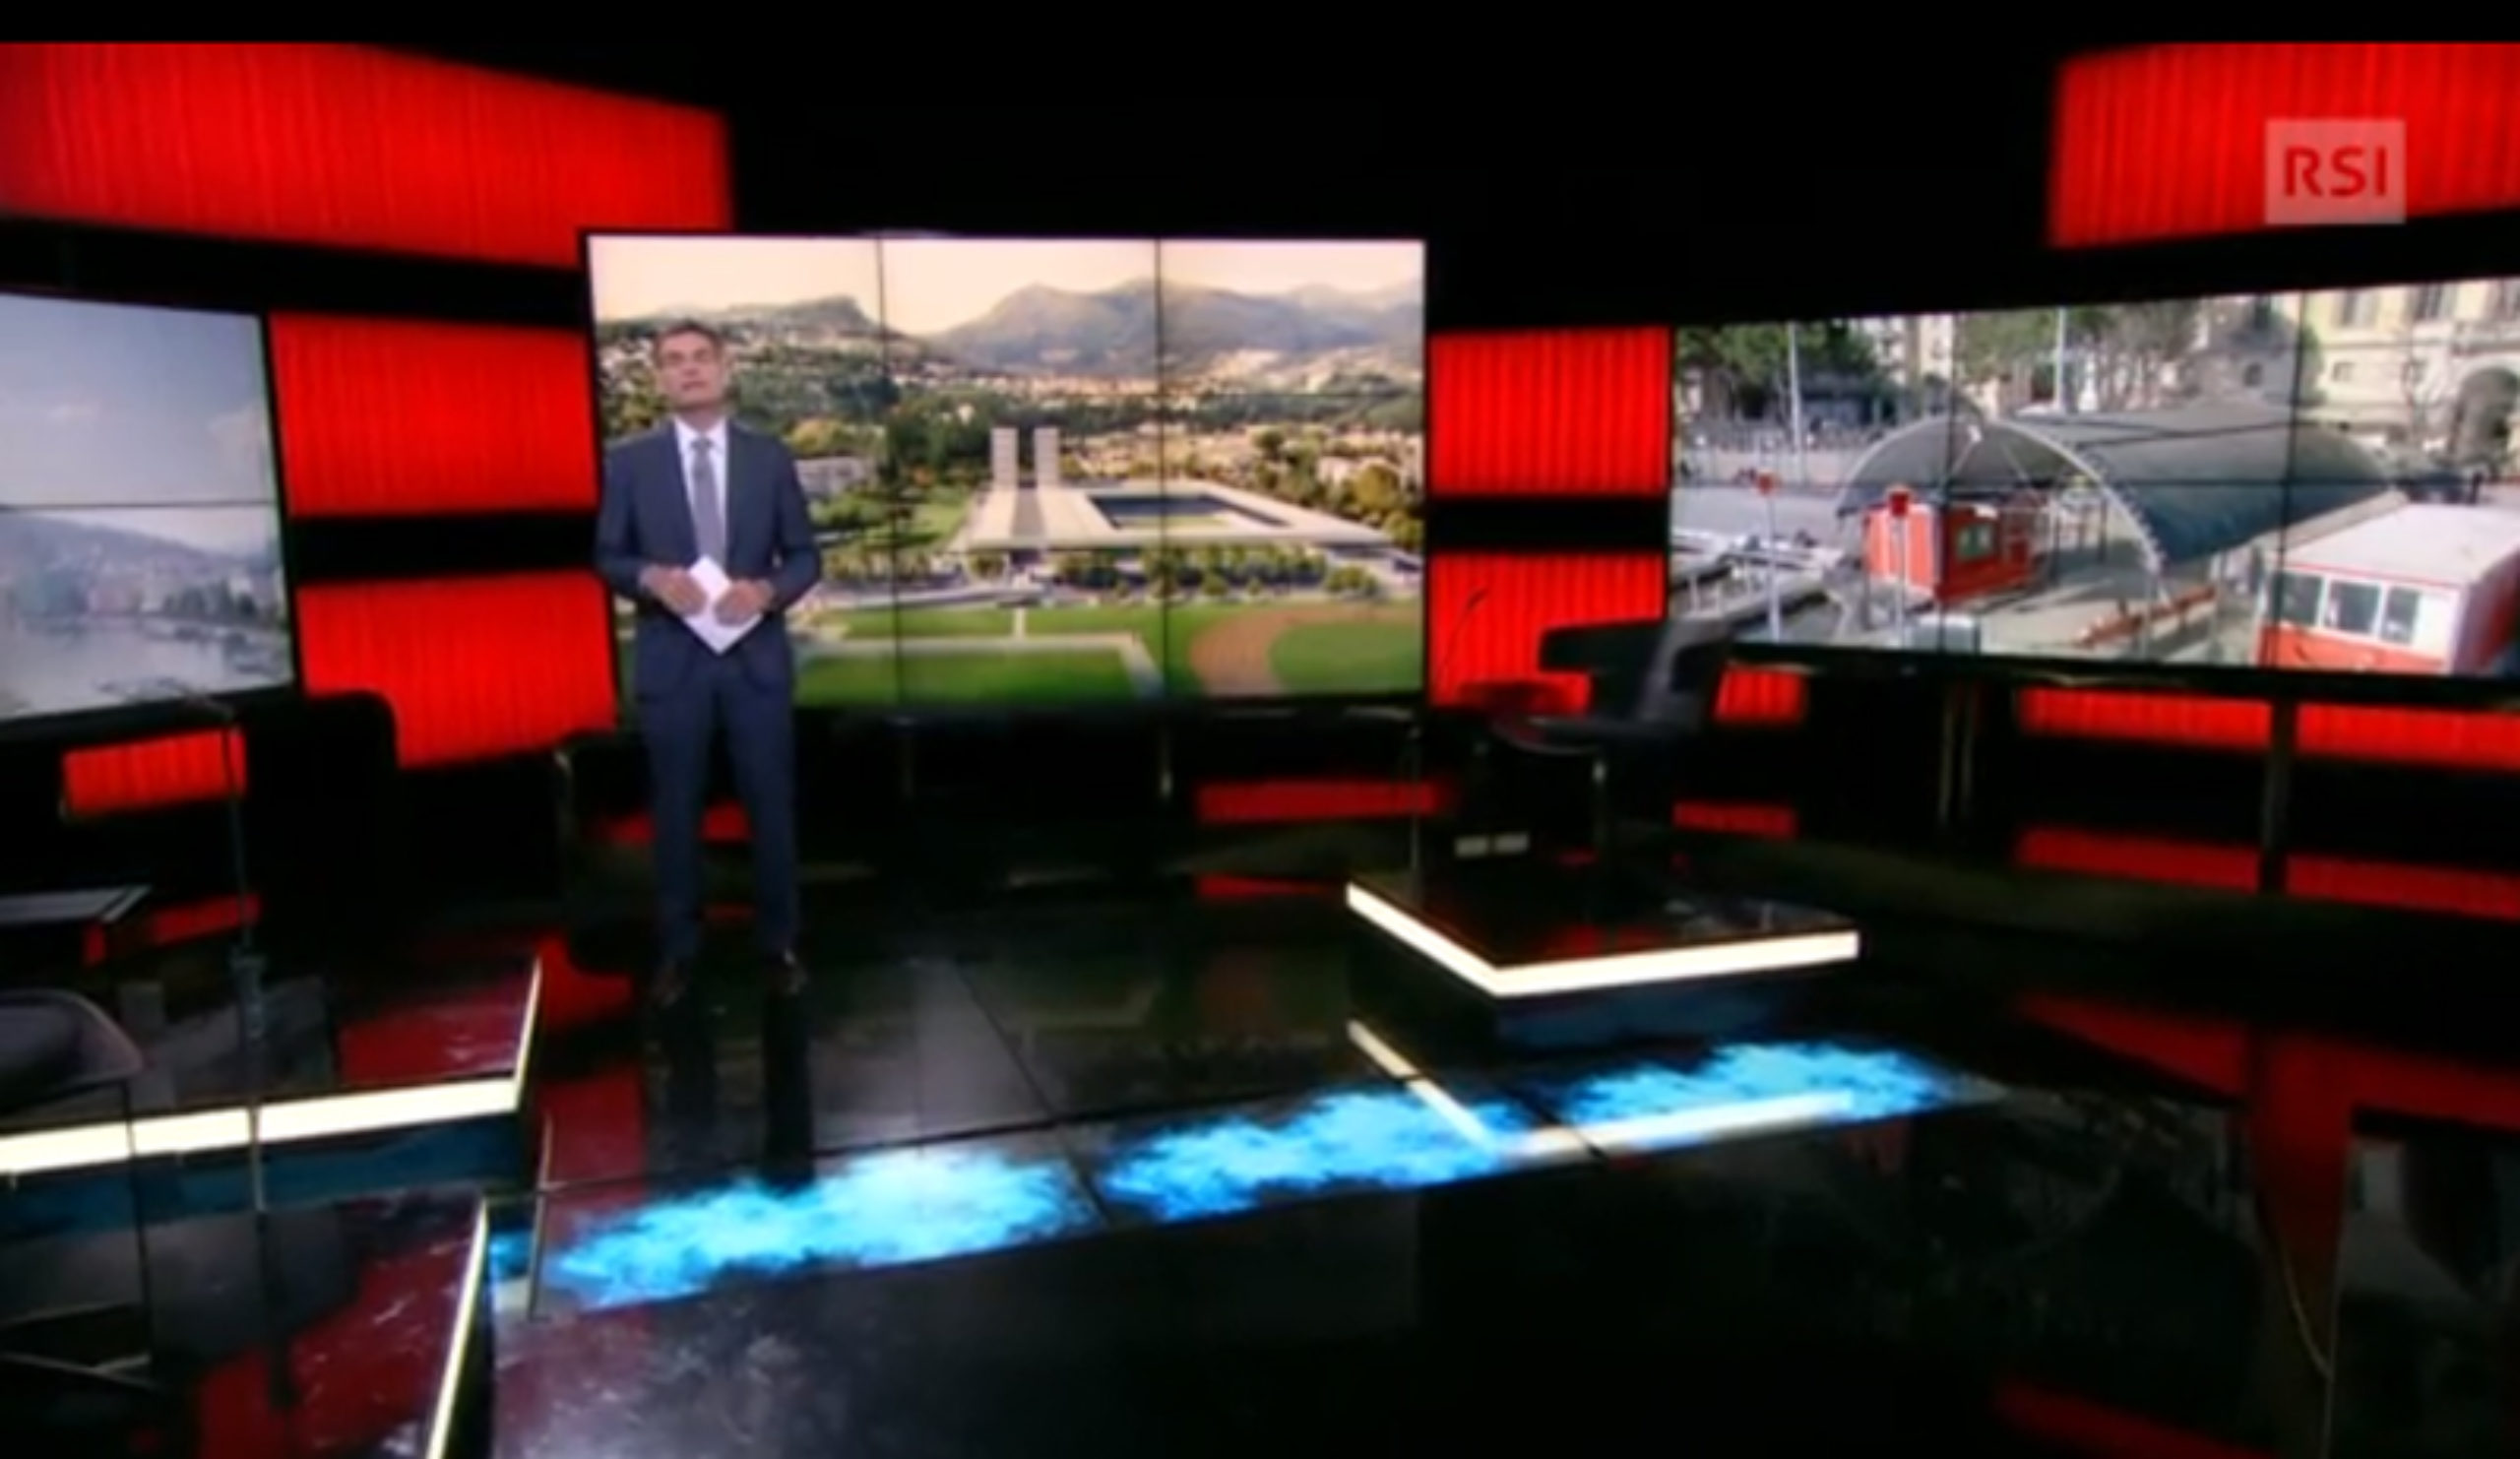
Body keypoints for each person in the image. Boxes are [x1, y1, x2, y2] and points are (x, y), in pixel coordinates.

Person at [595, 321, 821, 1003]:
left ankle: (780, 945)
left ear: (725, 369)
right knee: (674, 813)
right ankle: (678, 952)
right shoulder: (629, 462)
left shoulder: (768, 458)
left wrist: (767, 591)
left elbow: (805, 556)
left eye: (700, 358)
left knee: (770, 808)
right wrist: (651, 578)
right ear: (658, 377)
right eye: (673, 361)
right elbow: (608, 556)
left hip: (755, 664)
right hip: (673, 665)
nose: (688, 369)